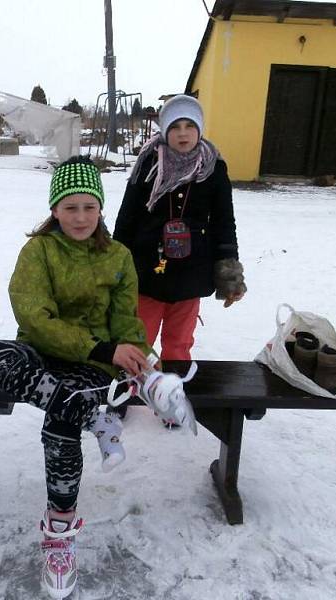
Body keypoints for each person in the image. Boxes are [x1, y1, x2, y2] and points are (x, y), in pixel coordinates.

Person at [0, 156, 154, 599]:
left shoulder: (118, 257)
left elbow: (126, 321)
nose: (79, 217)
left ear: (100, 209)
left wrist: (137, 355)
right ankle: (90, 413)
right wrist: (100, 347)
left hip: (89, 366)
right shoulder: (38, 251)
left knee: (60, 422)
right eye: (70, 207)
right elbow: (33, 317)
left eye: (88, 207)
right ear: (55, 209)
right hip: (39, 353)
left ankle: (59, 530)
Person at [112, 94, 246, 421]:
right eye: (175, 127)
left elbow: (224, 221)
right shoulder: (148, 164)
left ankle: (170, 399)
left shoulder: (214, 169)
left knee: (179, 343)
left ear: (199, 130)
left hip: (191, 275)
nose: (183, 134)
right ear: (165, 131)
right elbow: (127, 218)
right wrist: (114, 263)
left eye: (190, 126)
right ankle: (128, 394)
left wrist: (228, 269)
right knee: (136, 338)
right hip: (146, 271)